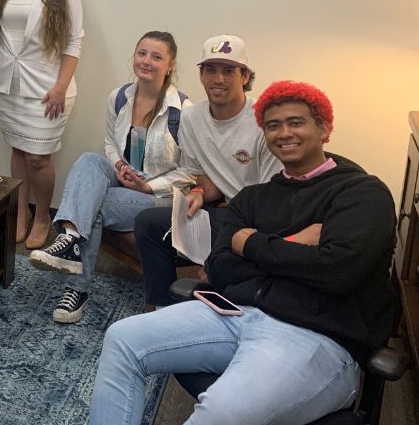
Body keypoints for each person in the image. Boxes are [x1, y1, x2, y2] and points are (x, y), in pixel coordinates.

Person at [89, 80, 396, 425]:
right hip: (237, 314)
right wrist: (296, 245)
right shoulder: (255, 197)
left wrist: (249, 245)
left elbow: (339, 272)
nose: (284, 133)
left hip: (314, 336)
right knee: (123, 339)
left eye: (296, 122)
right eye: (273, 125)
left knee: (220, 411)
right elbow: (219, 266)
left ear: (324, 128)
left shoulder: (362, 193)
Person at [28, 32, 192, 323]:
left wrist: (148, 185)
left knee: (95, 207)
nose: (146, 61)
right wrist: (119, 165)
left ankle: (76, 285)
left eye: (156, 56)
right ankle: (70, 238)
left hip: (158, 198)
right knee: (89, 160)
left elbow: (190, 171)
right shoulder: (119, 97)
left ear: (171, 64)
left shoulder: (183, 111)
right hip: (124, 179)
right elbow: (109, 142)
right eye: (142, 53)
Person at [134, 34, 282, 307]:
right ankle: (164, 306)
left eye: (228, 71)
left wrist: (227, 246)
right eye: (210, 70)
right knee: (149, 222)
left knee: (225, 264)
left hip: (259, 224)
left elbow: (271, 201)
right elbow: (203, 175)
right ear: (201, 75)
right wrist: (200, 192)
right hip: (225, 217)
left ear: (245, 76)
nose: (218, 79)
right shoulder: (191, 118)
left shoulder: (264, 121)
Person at [0, 0, 85, 249]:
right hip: (7, 86)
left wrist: (61, 86)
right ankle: (19, 214)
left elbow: (74, 40)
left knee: (39, 157)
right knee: (19, 150)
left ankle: (41, 217)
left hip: (47, 89)